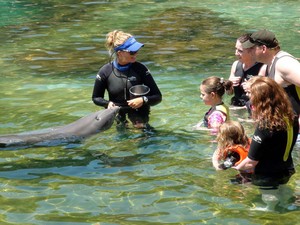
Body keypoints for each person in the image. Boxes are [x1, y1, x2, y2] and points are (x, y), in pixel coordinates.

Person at [233, 77, 299, 211]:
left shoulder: (266, 125)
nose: (248, 96)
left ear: (261, 100)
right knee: (280, 191)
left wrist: (236, 168)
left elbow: (251, 162)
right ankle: (287, 205)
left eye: (251, 94)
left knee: (269, 199)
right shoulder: (291, 116)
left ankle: (271, 210)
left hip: (268, 175)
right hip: (287, 169)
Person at [92, 30, 162, 129]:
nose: (136, 54)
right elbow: (96, 98)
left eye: (137, 50)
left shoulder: (141, 69)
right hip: (118, 113)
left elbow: (157, 97)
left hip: (140, 112)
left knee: (142, 131)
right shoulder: (105, 71)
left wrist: (143, 100)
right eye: (132, 52)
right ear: (120, 53)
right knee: (122, 138)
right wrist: (107, 103)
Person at [241, 29, 300, 116]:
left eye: (252, 48)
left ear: (263, 48)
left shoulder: (284, 63)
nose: (249, 52)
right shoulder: (269, 64)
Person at [229, 33, 266, 107]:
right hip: (236, 104)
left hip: (254, 107)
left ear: (251, 51)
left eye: (240, 51)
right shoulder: (236, 65)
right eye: (236, 49)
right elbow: (229, 93)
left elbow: (265, 95)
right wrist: (229, 85)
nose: (236, 53)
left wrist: (251, 87)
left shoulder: (262, 67)